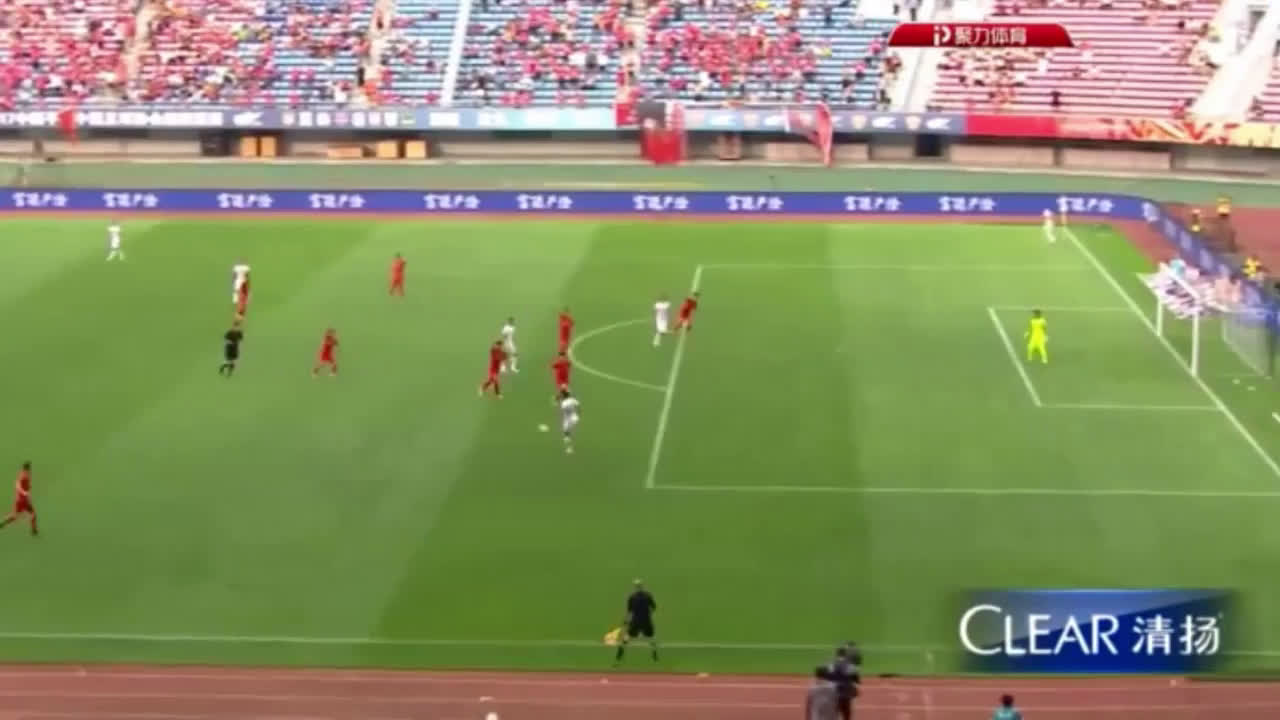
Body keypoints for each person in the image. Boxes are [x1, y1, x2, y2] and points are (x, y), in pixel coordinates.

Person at [614, 579, 658, 664]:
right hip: (646, 621)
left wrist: (625, 621)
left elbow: (629, 611)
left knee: (627, 638)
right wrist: (648, 614)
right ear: (642, 586)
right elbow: (654, 607)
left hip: (635, 622)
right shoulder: (648, 596)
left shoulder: (632, 597)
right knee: (651, 638)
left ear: (635, 587)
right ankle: (655, 655)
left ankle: (619, 654)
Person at [0, 462, 37, 536]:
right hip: (23, 500)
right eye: (29, 468)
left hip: (21, 500)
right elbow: (18, 485)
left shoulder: (23, 474)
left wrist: (27, 488)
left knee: (17, 515)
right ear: (28, 468)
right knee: (32, 514)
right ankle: (33, 530)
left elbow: (20, 484)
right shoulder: (25, 476)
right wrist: (24, 492)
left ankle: (34, 530)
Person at [826, 646, 860, 720]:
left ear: (837, 654)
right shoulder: (850, 665)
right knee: (847, 714)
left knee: (834, 714)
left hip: (834, 693)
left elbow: (828, 677)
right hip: (846, 693)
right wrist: (855, 689)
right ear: (845, 654)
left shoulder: (831, 664)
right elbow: (856, 678)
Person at [559, 389, 581, 454]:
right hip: (575, 417)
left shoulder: (564, 403)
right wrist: (579, 411)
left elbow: (563, 411)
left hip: (568, 418)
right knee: (567, 429)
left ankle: (569, 443)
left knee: (566, 429)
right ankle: (568, 439)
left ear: (564, 396)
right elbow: (578, 404)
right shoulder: (572, 400)